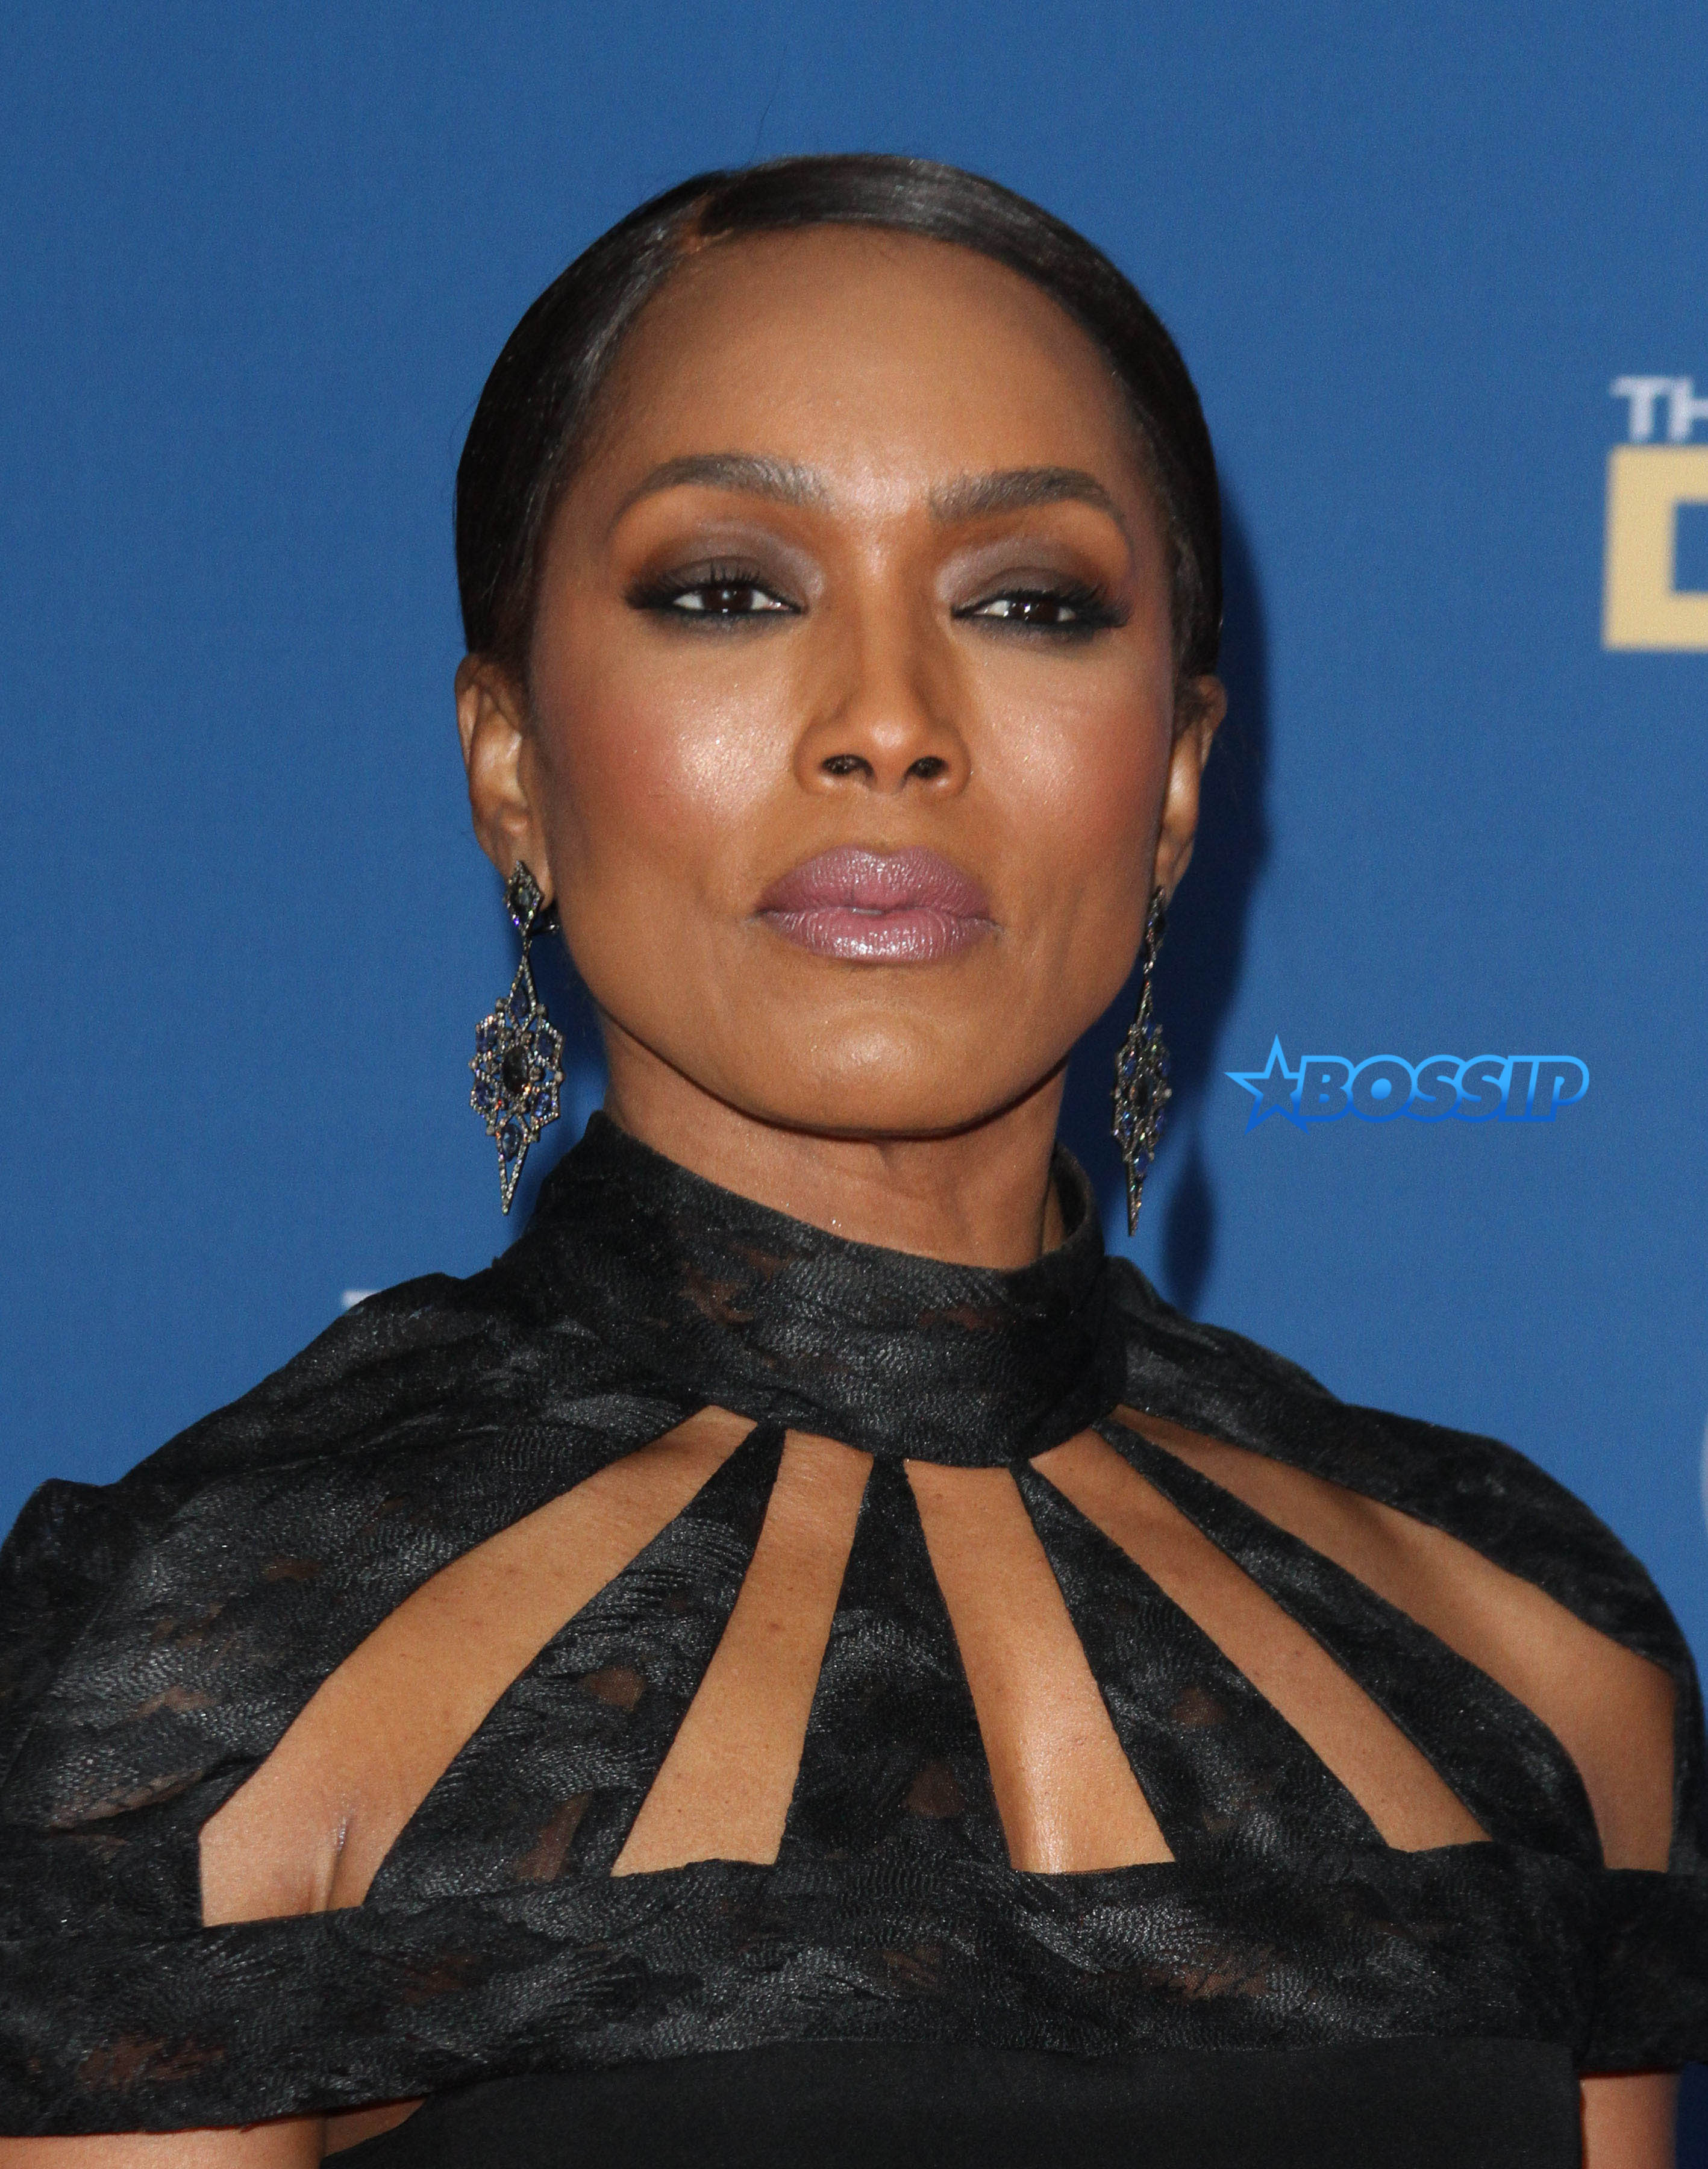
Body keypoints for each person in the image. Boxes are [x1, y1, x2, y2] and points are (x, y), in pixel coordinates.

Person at [0, 155, 1701, 2169]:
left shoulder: (1535, 1649)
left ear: (1173, 783)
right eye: (729, 591)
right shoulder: (193, 1688)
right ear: (509, 763)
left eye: (1025, 604)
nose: (888, 723)